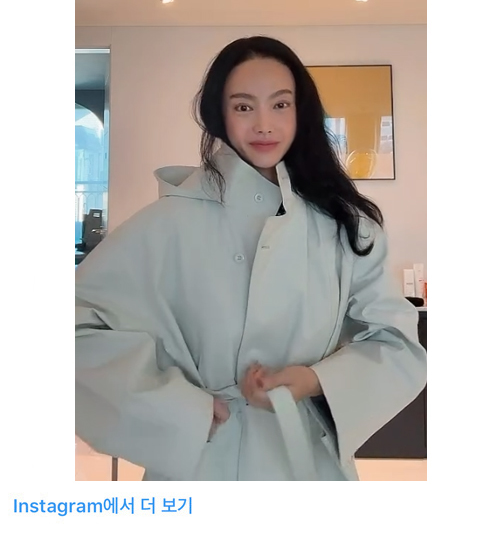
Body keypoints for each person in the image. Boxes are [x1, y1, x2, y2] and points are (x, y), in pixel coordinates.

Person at [75, 36, 427, 481]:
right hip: (204, 462)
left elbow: (396, 344)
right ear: (218, 115)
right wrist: (175, 407)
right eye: (244, 106)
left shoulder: (346, 226)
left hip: (305, 460)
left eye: (280, 105)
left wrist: (314, 380)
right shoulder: (166, 222)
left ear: (300, 111)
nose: (264, 124)